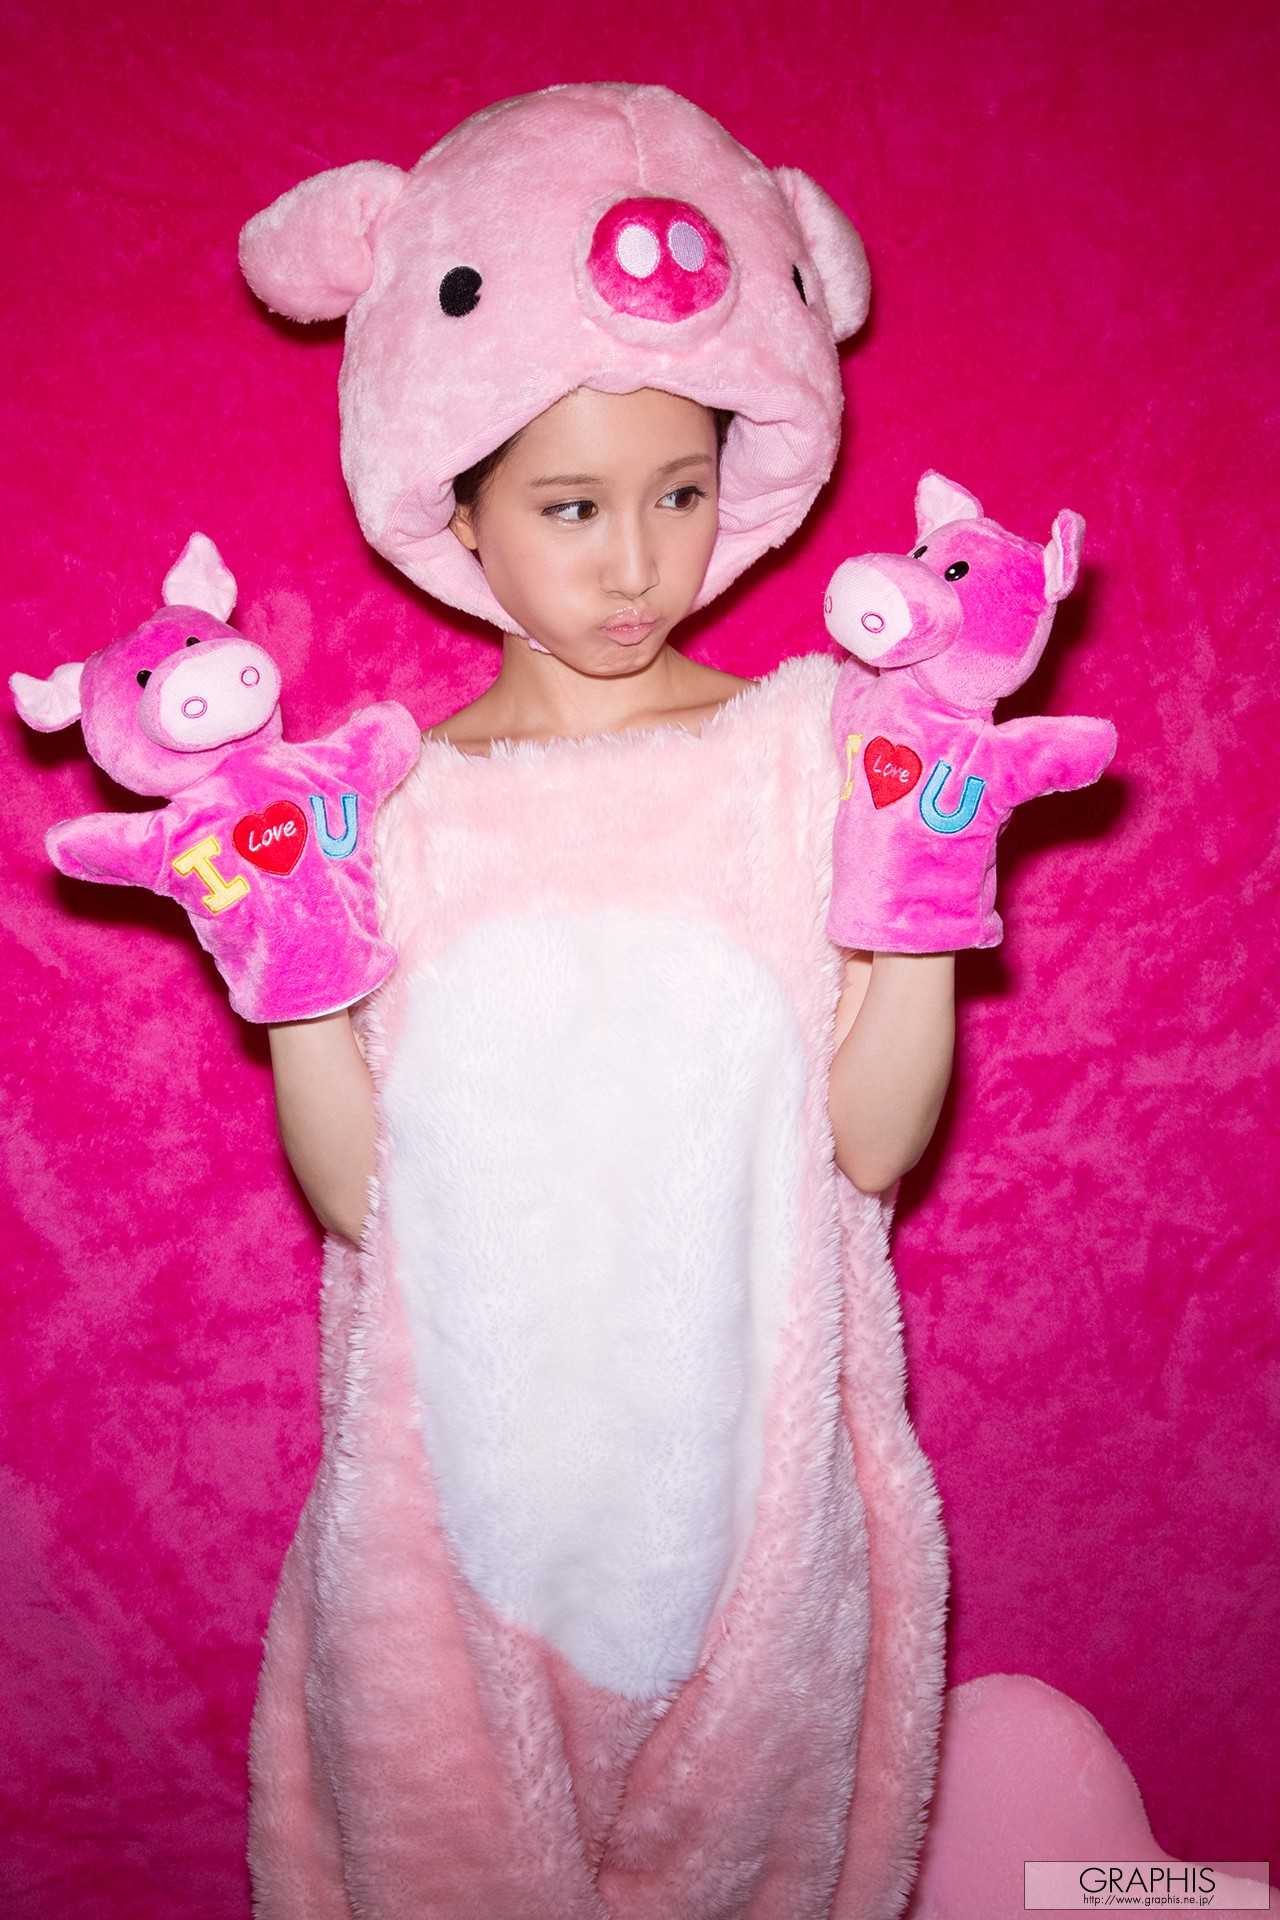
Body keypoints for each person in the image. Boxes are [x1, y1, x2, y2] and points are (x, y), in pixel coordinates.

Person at [239, 82, 952, 1919]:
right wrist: (292, 972)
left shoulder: (812, 752)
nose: (636, 562)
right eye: (569, 506)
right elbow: (361, 1201)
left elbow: (872, 1146)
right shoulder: (382, 803)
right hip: (445, 1547)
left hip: (755, 1533)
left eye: (679, 495)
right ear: (459, 509)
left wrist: (929, 889)